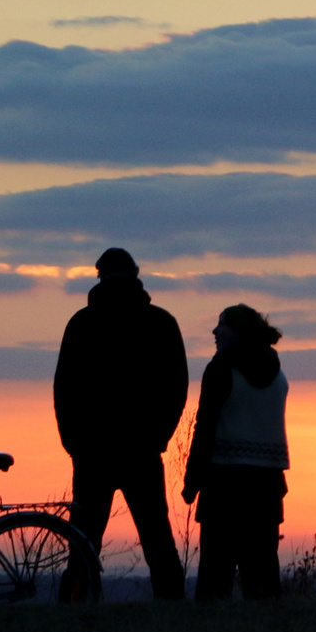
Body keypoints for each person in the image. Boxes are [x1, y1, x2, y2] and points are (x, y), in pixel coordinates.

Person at [54, 247, 188, 601]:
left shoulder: (82, 323)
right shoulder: (161, 322)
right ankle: (173, 608)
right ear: (136, 274)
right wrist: (158, 437)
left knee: (83, 543)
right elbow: (177, 387)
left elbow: (63, 388)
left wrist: (73, 442)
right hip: (139, 449)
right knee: (158, 539)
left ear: (100, 277)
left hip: (93, 451)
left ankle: (73, 612)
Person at [183, 304, 291, 600]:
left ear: (238, 331)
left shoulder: (220, 368)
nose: (215, 331)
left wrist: (192, 481)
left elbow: (204, 427)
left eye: (222, 325)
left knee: (215, 577)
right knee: (264, 575)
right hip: (268, 485)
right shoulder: (277, 372)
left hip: (224, 484)